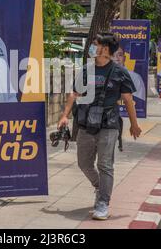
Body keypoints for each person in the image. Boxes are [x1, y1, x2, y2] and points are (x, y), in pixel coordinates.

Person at [57, 34, 142, 220]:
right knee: (84, 163)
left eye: (96, 45)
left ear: (105, 49)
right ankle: (99, 186)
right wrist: (64, 116)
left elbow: (128, 99)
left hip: (109, 125)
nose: (93, 47)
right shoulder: (87, 70)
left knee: (105, 164)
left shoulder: (120, 72)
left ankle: (103, 202)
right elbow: (74, 93)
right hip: (86, 124)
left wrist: (134, 125)